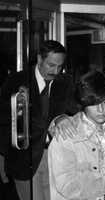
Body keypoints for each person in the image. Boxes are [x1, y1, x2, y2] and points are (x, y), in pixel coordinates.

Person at [0, 40, 78, 200]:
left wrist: (62, 117)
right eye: (51, 65)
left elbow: (74, 111)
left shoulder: (66, 83)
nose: (56, 71)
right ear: (39, 59)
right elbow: (3, 121)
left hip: (57, 158)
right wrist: (2, 158)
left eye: (60, 66)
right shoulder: (17, 81)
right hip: (25, 159)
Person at [48, 70, 105, 200]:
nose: (100, 110)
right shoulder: (67, 134)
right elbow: (67, 186)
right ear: (84, 103)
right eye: (93, 103)